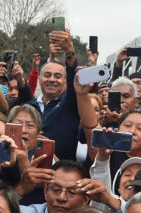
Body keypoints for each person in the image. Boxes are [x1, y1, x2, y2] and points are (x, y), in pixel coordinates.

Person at [26, 29, 80, 160]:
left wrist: (69, 52)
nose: (51, 79)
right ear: (40, 80)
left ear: (66, 83)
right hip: (28, 172)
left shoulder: (70, 104)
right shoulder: (28, 107)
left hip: (62, 174)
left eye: (58, 76)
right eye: (47, 75)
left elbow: (73, 74)